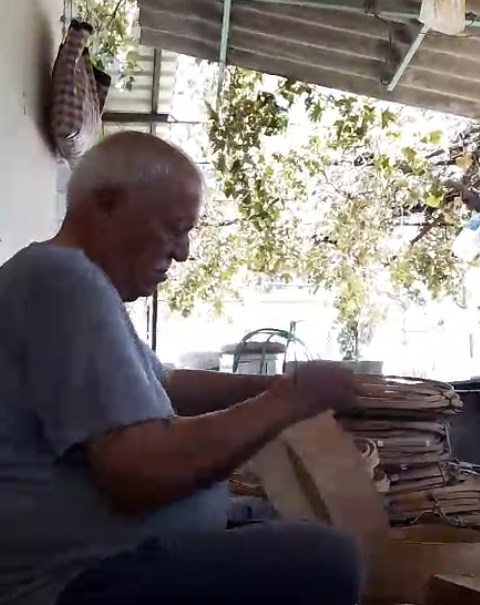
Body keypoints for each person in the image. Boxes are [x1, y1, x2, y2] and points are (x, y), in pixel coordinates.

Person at [0, 131, 363, 605]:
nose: (183, 251)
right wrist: (291, 399)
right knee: (326, 559)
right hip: (71, 583)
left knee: (270, 520)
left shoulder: (67, 284)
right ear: (107, 205)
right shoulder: (62, 280)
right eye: (174, 228)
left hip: (107, 561)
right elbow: (138, 472)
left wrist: (280, 383)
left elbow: (167, 382)